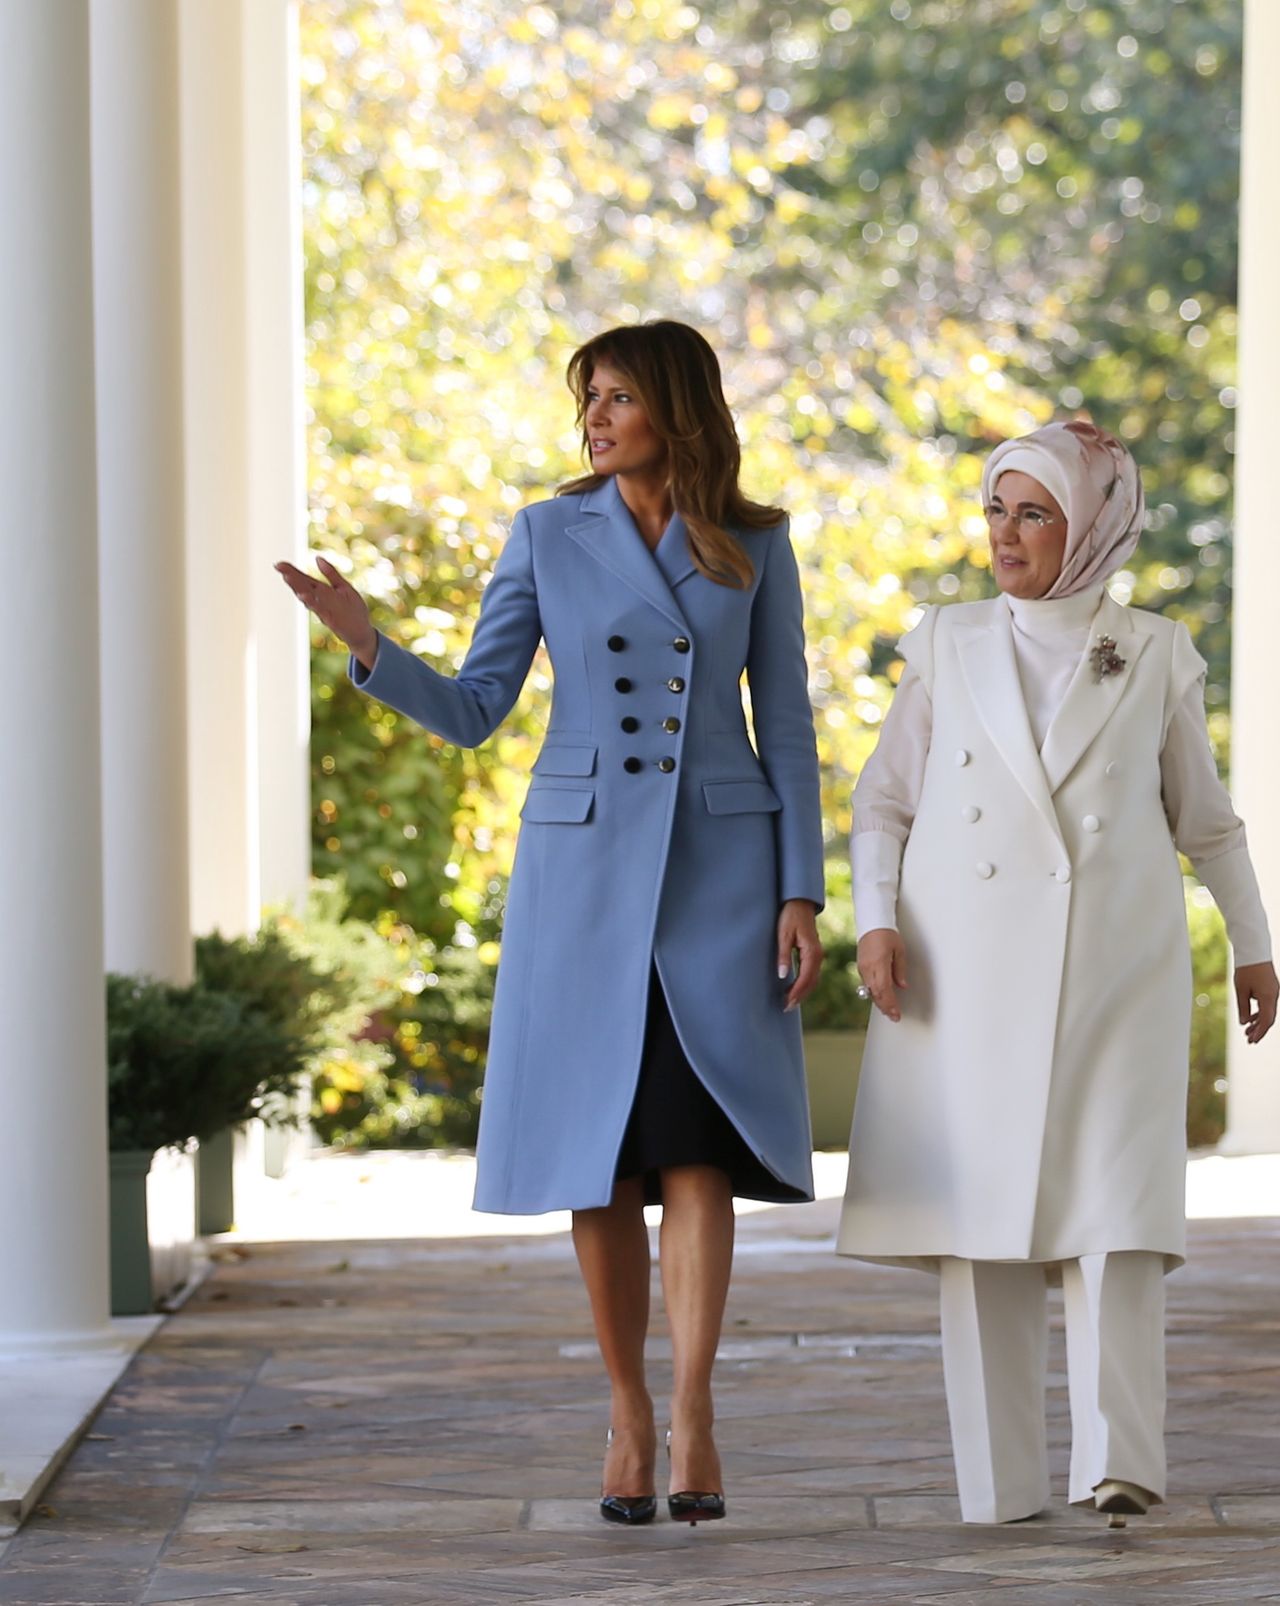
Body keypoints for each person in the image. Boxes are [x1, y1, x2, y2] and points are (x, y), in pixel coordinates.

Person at [278, 319, 825, 1527]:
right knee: (604, 1157)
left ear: (673, 407)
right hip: (580, 877)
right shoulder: (546, 531)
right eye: (586, 397)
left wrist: (801, 888)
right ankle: (625, 1409)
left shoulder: (756, 540)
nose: (592, 417)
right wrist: (369, 643)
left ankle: (692, 1412)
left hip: (720, 873)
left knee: (697, 1148)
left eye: (616, 395)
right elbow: (479, 707)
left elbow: (783, 721)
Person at [837, 418, 1277, 1526]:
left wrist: (1255, 941)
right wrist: (873, 921)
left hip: (1113, 967)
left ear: (1088, 526)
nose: (1005, 534)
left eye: (1033, 512)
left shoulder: (1156, 650)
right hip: (960, 965)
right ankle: (996, 1486)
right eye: (995, 508)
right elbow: (881, 803)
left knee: (1115, 1211)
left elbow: (1206, 823)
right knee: (980, 1223)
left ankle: (1118, 1461)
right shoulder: (943, 639)